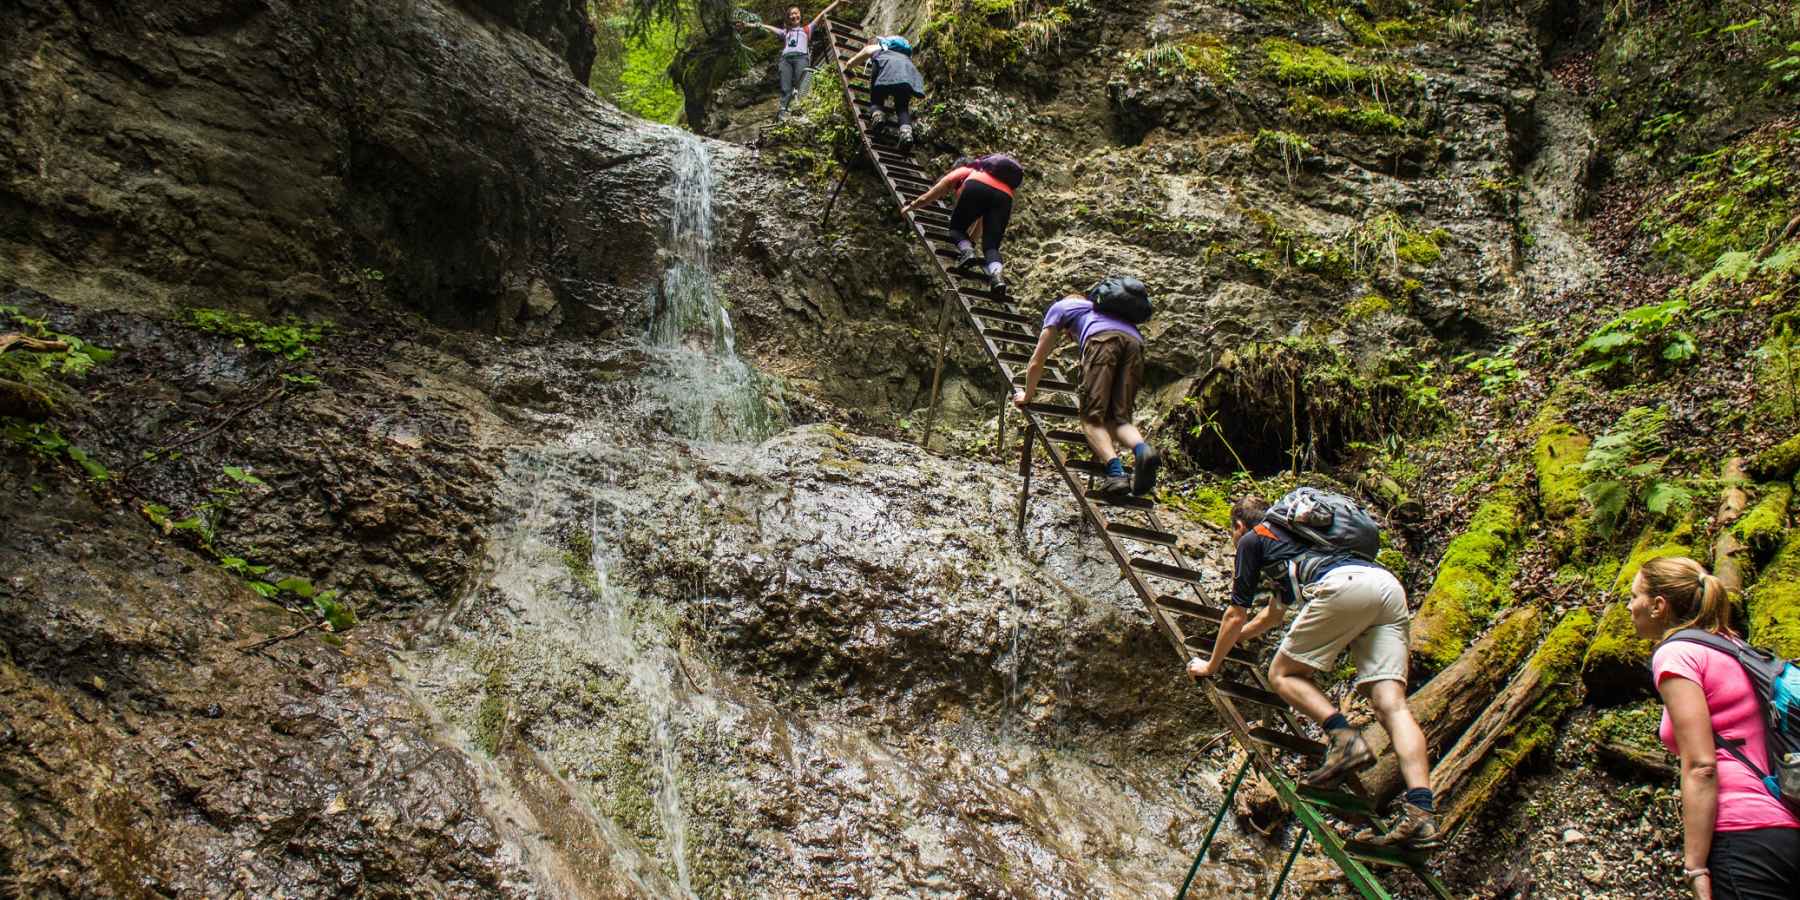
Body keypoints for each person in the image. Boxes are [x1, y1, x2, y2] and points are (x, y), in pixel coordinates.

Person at [1188, 497, 1439, 850]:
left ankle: (1344, 739)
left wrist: (1211, 664)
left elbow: (1236, 614)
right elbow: (1271, 618)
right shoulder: (1301, 545)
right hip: (1386, 587)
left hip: (1345, 586)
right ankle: (1422, 815)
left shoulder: (1251, 540)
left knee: (1283, 675)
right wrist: (1230, 642)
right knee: (1391, 707)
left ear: (1239, 527)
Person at [1630, 556, 1799, 899]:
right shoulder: (1733, 647)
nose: (1630, 606)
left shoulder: (1676, 654)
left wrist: (1695, 867)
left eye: (1634, 597)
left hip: (1744, 836)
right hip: (1786, 825)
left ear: (1658, 605)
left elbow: (1702, 766)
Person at [1010, 286, 1160, 497]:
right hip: (1135, 344)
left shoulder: (1061, 307)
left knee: (1091, 420)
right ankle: (1144, 451)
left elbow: (1037, 362)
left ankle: (1116, 474)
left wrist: (1027, 395)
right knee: (1119, 420)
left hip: (1103, 342)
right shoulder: (1103, 311)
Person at [900, 154, 1023, 295]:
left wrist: (912, 206)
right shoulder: (996, 180)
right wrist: (970, 244)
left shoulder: (965, 171)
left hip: (977, 186)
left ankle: (967, 252)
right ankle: (997, 276)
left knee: (956, 229)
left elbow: (931, 195)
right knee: (991, 247)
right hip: (1005, 196)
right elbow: (981, 222)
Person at [737, 3, 841, 118]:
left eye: (796, 13)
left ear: (800, 15)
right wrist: (746, 24)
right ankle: (783, 113)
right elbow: (765, 26)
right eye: (791, 14)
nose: (794, 15)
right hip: (785, 60)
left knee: (801, 85)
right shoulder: (785, 32)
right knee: (785, 88)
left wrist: (838, 2)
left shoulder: (807, 29)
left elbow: (822, 14)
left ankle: (802, 110)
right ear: (788, 18)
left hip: (801, 58)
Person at [844, 36, 926, 145]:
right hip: (907, 71)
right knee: (902, 107)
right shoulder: (903, 55)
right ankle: (906, 134)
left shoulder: (877, 47)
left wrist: (848, 68)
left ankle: (878, 117)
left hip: (886, 66)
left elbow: (851, 62)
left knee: (877, 97)